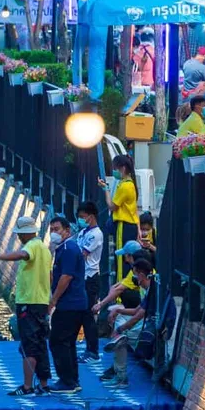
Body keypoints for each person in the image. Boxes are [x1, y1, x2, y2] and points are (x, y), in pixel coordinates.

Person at [0, 215, 53, 397]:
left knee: (28, 345)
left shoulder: (31, 246)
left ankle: (27, 387)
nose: (19, 237)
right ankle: (43, 384)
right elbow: (49, 275)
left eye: (20, 234)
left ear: (27, 233)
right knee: (40, 343)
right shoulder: (45, 249)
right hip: (41, 302)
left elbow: (22, 254)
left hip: (29, 303)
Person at [94, 259, 157, 387]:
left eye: (135, 275)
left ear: (141, 275)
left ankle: (120, 377)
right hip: (148, 325)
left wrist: (119, 330)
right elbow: (136, 310)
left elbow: (137, 317)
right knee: (120, 327)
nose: (134, 279)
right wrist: (118, 310)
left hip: (152, 330)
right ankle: (117, 369)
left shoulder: (154, 290)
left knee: (120, 338)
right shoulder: (150, 289)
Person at [46, 216, 86, 394]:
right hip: (73, 303)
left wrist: (53, 300)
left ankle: (67, 381)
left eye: (57, 229)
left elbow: (66, 277)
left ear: (67, 231)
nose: (53, 233)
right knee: (68, 342)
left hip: (69, 304)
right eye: (51, 230)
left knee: (58, 340)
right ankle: (72, 379)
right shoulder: (63, 249)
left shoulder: (69, 249)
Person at [99, 154, 139, 282]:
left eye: (115, 168)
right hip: (131, 225)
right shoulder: (130, 184)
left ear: (122, 168)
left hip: (124, 225)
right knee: (128, 257)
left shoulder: (124, 186)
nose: (114, 171)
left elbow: (112, 206)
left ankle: (121, 288)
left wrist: (106, 190)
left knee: (122, 259)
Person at [75, 202, 104, 363]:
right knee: (81, 313)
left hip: (90, 278)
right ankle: (87, 347)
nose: (80, 220)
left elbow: (82, 254)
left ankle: (93, 351)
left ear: (91, 217)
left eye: (82, 217)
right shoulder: (82, 233)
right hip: (81, 278)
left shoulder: (96, 234)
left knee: (88, 315)